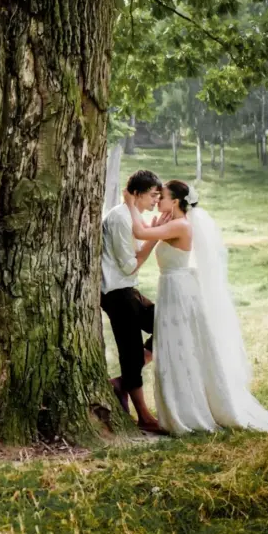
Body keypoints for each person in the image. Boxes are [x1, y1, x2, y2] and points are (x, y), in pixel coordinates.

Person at [122, 181, 268, 437]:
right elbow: (147, 235)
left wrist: (129, 203)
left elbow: (140, 233)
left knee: (178, 347)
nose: (158, 201)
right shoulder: (174, 222)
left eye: (164, 197)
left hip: (178, 290)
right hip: (172, 287)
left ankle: (188, 411)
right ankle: (178, 408)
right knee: (172, 347)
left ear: (177, 201)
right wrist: (154, 223)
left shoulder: (180, 225)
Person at [101, 170, 164, 434]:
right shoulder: (118, 219)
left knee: (166, 323)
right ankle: (145, 418)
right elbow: (128, 267)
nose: (155, 201)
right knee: (130, 350)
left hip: (128, 292)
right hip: (117, 293)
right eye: (152, 195)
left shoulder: (132, 215)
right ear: (137, 194)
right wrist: (153, 240)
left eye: (159, 196)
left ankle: (121, 383)